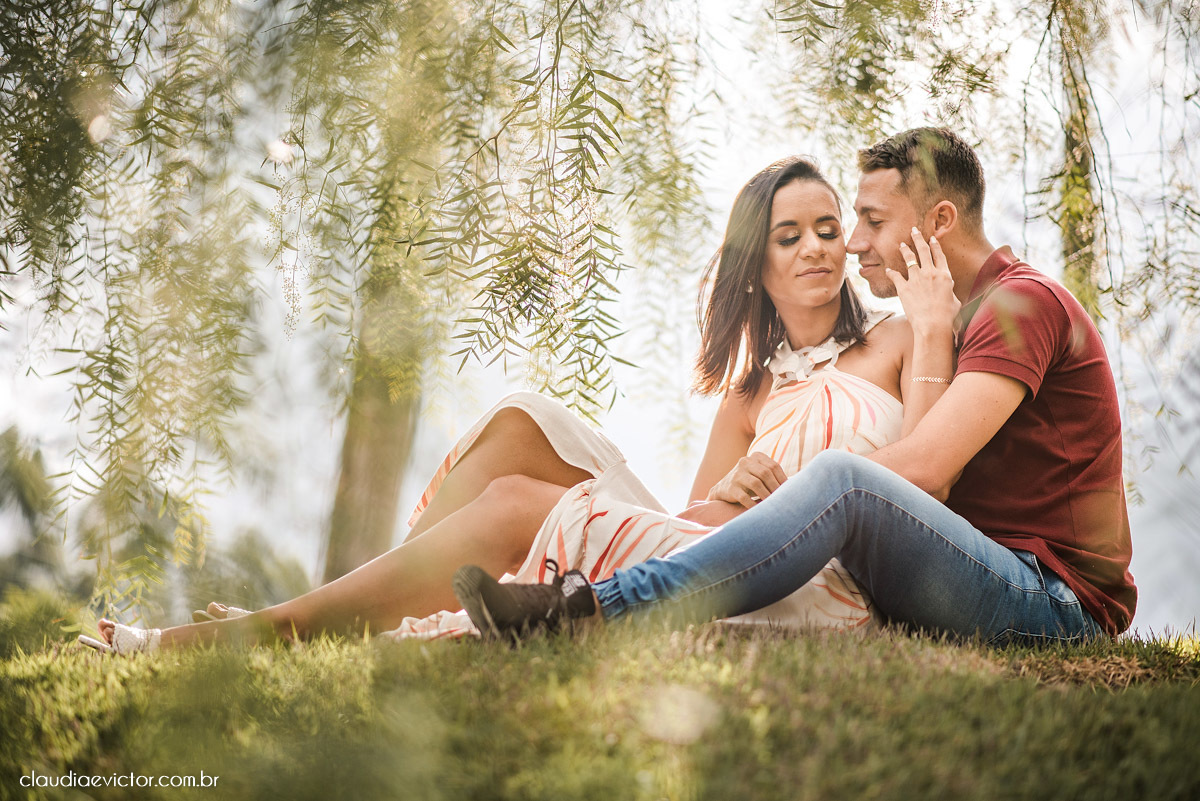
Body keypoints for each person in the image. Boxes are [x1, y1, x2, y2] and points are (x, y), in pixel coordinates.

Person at [79, 156, 957, 654]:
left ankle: (272, 633)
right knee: (521, 420)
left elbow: (926, 487)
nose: (813, 249)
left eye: (829, 229)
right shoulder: (749, 393)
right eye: (786, 235)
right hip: (716, 552)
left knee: (511, 505)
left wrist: (928, 330)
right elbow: (692, 527)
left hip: (822, 577)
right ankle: (355, 604)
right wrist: (738, 497)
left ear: (852, 240)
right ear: (755, 264)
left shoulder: (893, 339)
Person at [453, 127, 1138, 646]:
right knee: (834, 484)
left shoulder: (1020, 305)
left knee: (840, 478)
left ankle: (593, 607)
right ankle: (580, 598)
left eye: (871, 220)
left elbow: (927, 468)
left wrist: (802, 498)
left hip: (1055, 599)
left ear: (938, 223)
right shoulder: (959, 321)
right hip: (978, 571)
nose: (853, 243)